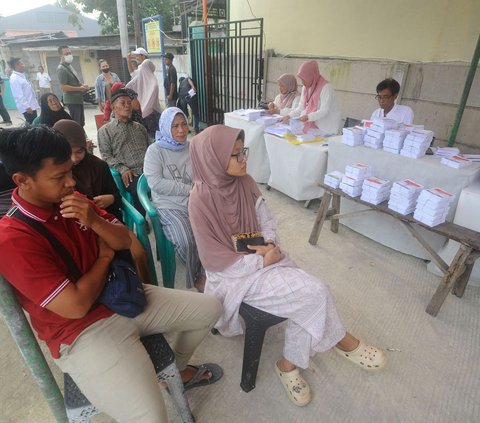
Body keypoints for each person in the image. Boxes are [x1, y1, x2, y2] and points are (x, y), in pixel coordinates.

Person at [0, 125, 223, 422]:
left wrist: (93, 220)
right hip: (81, 333)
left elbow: (124, 240)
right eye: (59, 176)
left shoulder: (72, 198)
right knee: (152, 417)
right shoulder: (13, 238)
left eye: (70, 171)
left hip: (121, 294)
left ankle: (176, 372)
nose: (71, 181)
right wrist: (105, 256)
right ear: (22, 180)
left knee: (211, 307)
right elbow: (75, 306)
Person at [188, 125, 386, 407]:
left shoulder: (245, 182)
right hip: (234, 276)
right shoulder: (199, 200)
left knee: (308, 296)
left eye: (243, 151)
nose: (244, 159)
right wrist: (262, 260)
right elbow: (214, 262)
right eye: (235, 155)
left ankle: (289, 364)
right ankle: (341, 340)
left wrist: (270, 242)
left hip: (266, 258)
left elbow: (266, 219)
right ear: (213, 160)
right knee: (315, 292)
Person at [53, 119, 151, 284]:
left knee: (138, 253)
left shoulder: (98, 166)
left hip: (109, 221)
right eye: (68, 153)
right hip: (78, 230)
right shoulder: (56, 173)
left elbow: (117, 197)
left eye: (79, 152)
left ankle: (144, 288)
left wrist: (110, 198)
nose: (74, 158)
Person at [144, 107, 205, 291]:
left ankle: (212, 271)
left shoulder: (192, 147)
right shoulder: (155, 151)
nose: (181, 130)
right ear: (164, 127)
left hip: (195, 202)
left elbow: (203, 173)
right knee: (186, 240)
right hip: (168, 206)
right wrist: (188, 189)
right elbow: (155, 183)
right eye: (175, 126)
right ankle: (197, 276)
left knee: (212, 231)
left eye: (184, 124)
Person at [98, 88, 150, 216]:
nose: (127, 106)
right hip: (130, 174)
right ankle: (141, 223)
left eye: (129, 103)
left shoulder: (140, 127)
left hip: (149, 169)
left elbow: (151, 148)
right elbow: (106, 156)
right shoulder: (105, 131)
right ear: (114, 108)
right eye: (122, 103)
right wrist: (122, 169)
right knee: (139, 190)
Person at [285, 60, 341, 135]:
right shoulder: (305, 88)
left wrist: (308, 117)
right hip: (313, 128)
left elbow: (324, 110)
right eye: (301, 79)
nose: (302, 82)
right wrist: (289, 115)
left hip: (327, 127)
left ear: (312, 76)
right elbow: (301, 107)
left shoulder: (326, 87)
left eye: (304, 79)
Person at [126, 59, 161, 137]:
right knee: (154, 136)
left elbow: (127, 88)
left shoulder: (137, 79)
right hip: (151, 114)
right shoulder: (154, 82)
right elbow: (153, 102)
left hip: (140, 114)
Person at [56, 45, 89, 127]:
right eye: (66, 54)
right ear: (61, 56)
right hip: (72, 100)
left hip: (78, 98)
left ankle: (83, 137)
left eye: (70, 53)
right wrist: (79, 89)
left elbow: (73, 81)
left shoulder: (69, 65)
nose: (69, 55)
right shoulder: (61, 69)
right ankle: (78, 138)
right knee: (76, 123)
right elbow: (63, 87)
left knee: (81, 122)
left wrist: (82, 85)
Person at [8, 58, 39, 124]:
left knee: (33, 123)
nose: (23, 65)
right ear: (16, 66)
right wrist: (27, 107)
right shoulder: (14, 78)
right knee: (31, 124)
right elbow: (19, 95)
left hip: (31, 104)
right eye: (21, 64)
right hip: (28, 107)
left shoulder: (20, 76)